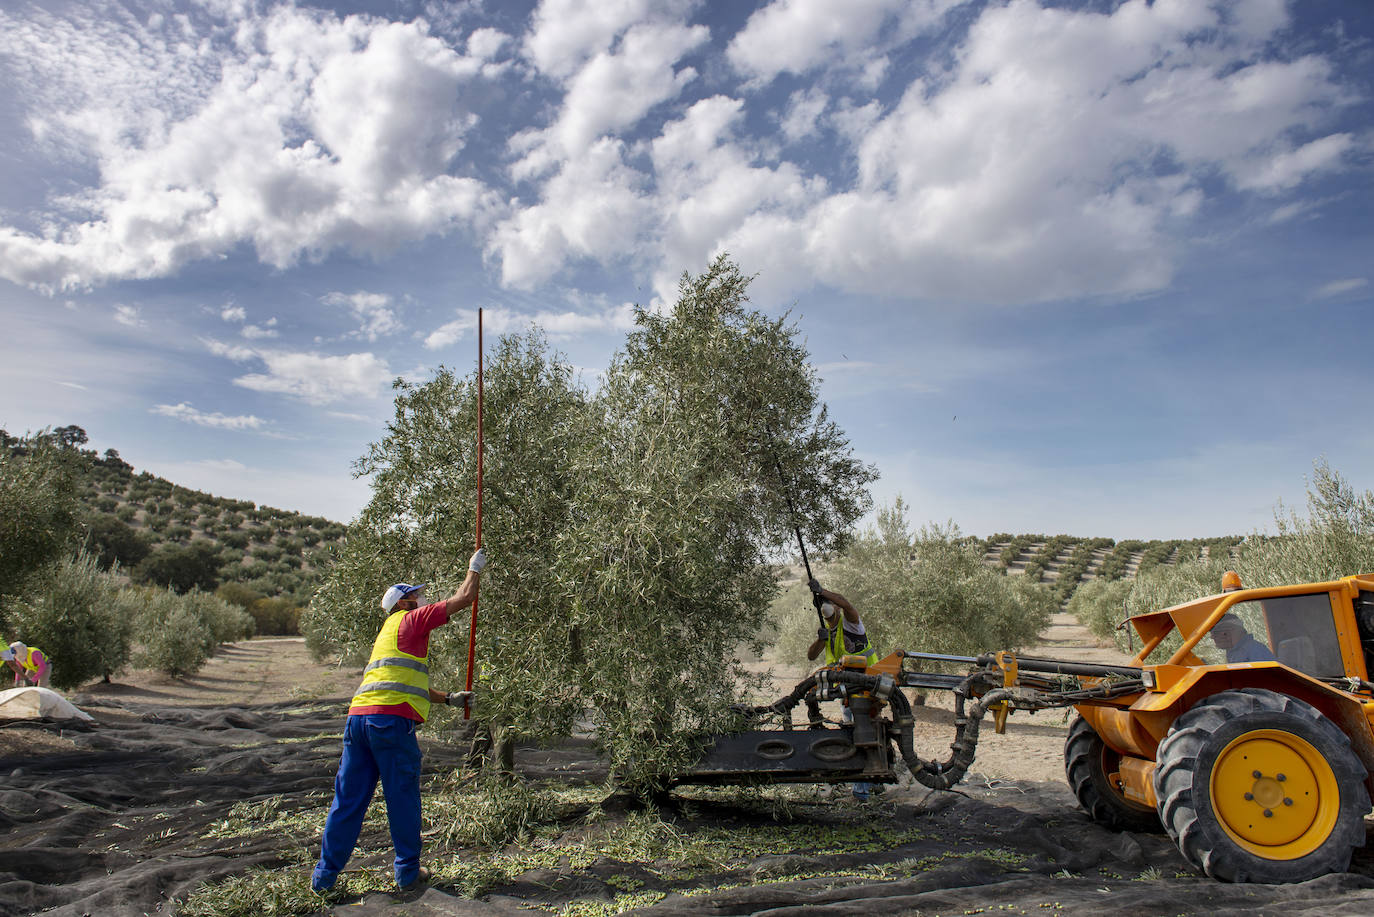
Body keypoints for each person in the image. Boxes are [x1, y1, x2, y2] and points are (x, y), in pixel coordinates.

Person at [311, 548, 487, 896]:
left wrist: (448, 698)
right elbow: (465, 598)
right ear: (404, 602)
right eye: (417, 595)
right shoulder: (412, 620)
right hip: (389, 726)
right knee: (402, 796)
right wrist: (474, 568)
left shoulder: (388, 632)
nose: (422, 600)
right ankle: (407, 873)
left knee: (347, 800)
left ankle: (324, 879)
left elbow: (405, 682)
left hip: (358, 722)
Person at [805, 581, 879, 800]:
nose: (828, 611)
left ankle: (861, 792)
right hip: (849, 690)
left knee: (861, 732)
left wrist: (822, 591)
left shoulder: (852, 624)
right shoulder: (829, 632)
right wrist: (820, 640)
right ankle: (873, 784)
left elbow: (847, 604)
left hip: (866, 685)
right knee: (867, 731)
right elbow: (811, 655)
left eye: (829, 606)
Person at [1209, 614, 1275, 663]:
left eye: (1216, 632)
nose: (1212, 637)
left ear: (1230, 631)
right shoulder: (1234, 652)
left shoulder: (1255, 650)